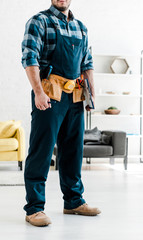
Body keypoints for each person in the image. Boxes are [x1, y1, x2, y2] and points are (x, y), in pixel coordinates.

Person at [21, 0, 101, 227]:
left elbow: (87, 63)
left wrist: (91, 96)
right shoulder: (39, 21)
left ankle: (74, 201)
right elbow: (29, 58)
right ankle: (34, 208)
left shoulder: (81, 27)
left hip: (75, 95)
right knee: (42, 151)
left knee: (73, 151)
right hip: (49, 93)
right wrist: (38, 93)